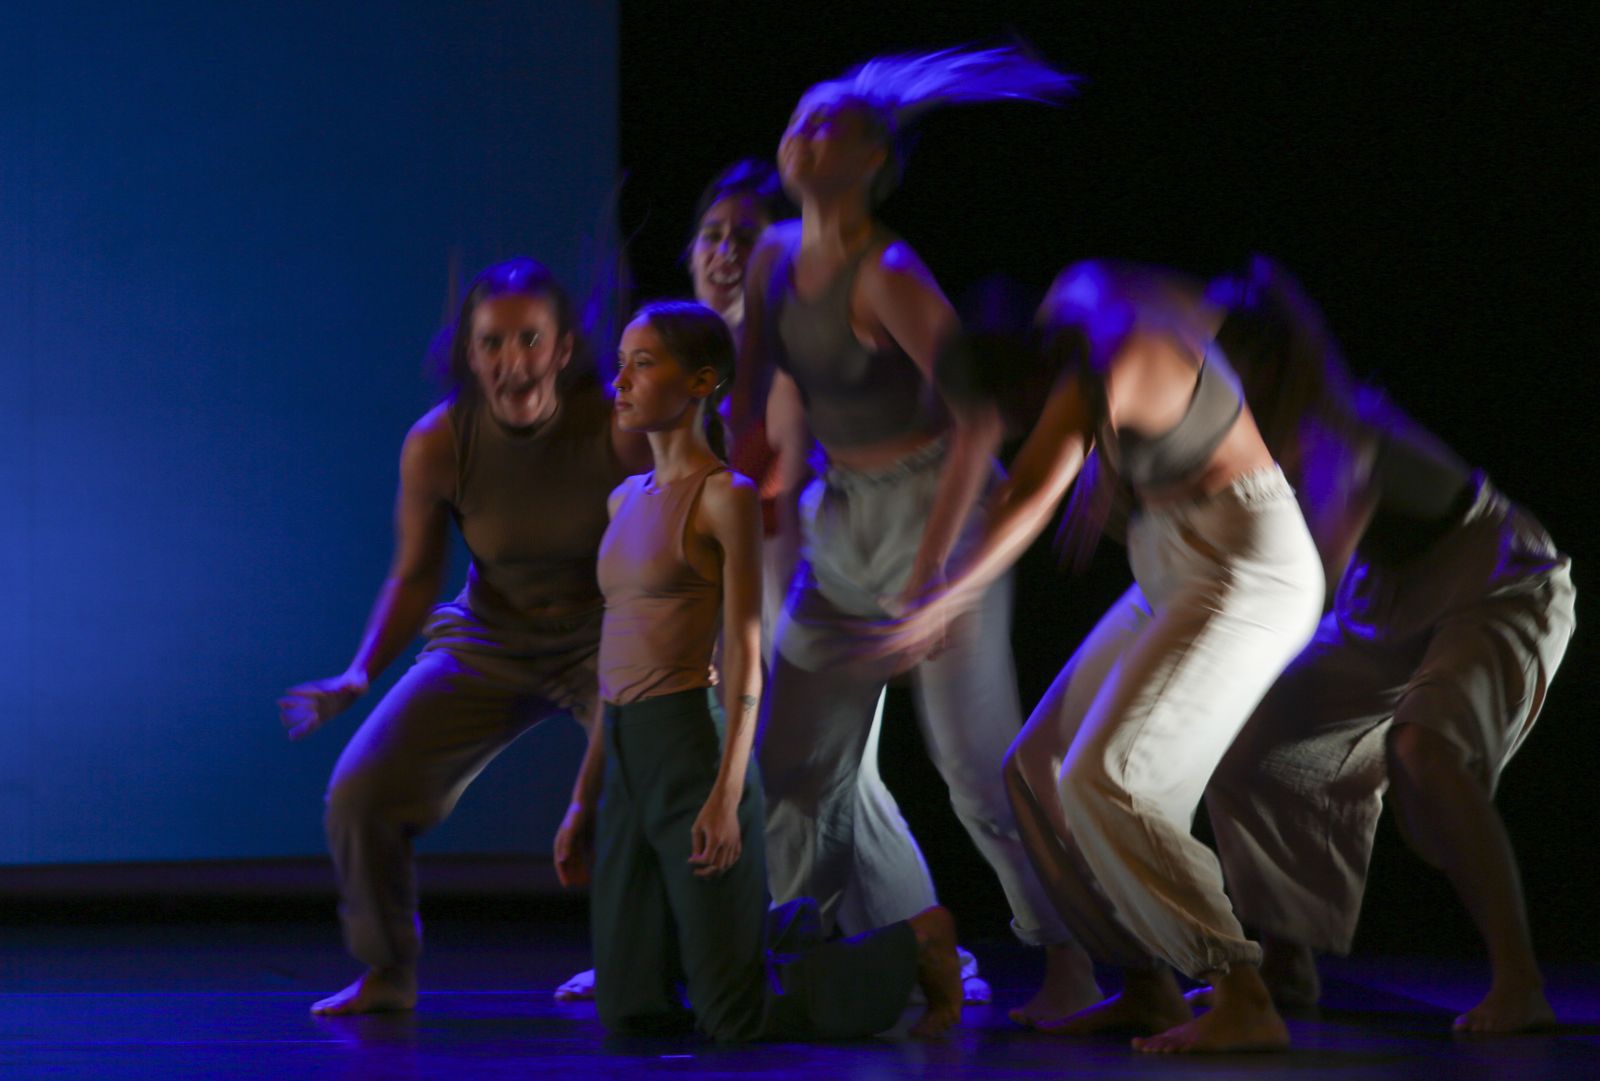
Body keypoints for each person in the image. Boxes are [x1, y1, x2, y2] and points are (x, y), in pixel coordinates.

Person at [734, 45, 1100, 1024]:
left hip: (934, 508)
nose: (804, 134)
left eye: (830, 125)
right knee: (794, 758)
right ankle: (799, 951)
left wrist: (938, 581)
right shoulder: (772, 254)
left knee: (976, 770)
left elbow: (978, 420)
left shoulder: (885, 270)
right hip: (840, 517)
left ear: (870, 160)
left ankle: (1070, 958)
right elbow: (756, 392)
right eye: (798, 118)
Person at [878, 259, 1326, 1053]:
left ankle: (1239, 991)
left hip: (1249, 561)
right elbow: (1203, 308)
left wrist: (941, 600)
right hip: (1173, 557)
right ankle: (1145, 981)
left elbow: (1025, 496)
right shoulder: (1077, 298)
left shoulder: (1107, 358)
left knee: (1109, 778)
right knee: (1037, 768)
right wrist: (1125, 438)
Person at [552, 300, 961, 1040]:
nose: (621, 380)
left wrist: (727, 790)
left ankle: (916, 942)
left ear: (702, 379)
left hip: (687, 744)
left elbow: (742, 644)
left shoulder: (723, 496)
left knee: (733, 1018)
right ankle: (791, 932)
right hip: (623, 749)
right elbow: (612, 657)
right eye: (622, 361)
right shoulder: (622, 500)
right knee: (629, 1006)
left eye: (643, 363)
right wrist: (585, 796)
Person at [1202, 257, 1577, 1033]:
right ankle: (1285, 955)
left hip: (1495, 580)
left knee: (1422, 752)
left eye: (1217, 357)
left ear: (1264, 361)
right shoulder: (1250, 438)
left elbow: (1307, 582)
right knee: (1246, 737)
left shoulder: (1338, 429)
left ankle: (1520, 981)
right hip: (1388, 602)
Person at [278, 257, 649, 1015]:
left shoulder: (618, 429)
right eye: (492, 343)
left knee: (648, 778)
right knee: (360, 792)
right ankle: (387, 971)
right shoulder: (439, 443)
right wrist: (358, 673)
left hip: (605, 638)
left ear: (563, 349)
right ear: (469, 354)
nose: (512, 361)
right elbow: (414, 577)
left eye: (530, 340)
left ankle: (636, 963)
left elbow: (665, 562)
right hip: (490, 637)